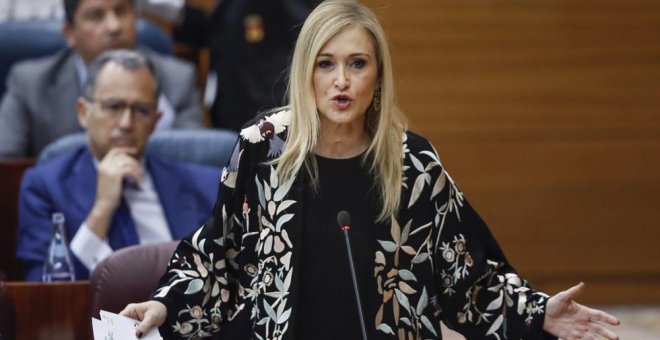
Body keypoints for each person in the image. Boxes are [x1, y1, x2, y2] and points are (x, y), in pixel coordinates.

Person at [121, 1, 621, 339]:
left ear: (378, 76)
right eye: (325, 64)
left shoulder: (413, 164)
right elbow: (220, 258)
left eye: (358, 64)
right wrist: (165, 306)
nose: (341, 81)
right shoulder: (262, 149)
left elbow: (467, 279)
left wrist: (540, 314)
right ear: (304, 73)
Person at [16, 50, 219, 281]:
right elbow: (45, 294)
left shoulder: (209, 186)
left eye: (141, 110)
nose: (126, 123)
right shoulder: (44, 187)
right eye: (113, 107)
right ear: (83, 112)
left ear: (155, 121)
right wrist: (102, 210)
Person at [0, 0, 203, 159]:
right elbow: (6, 167)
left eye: (121, 11)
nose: (114, 26)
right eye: (96, 16)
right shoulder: (30, 83)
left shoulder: (177, 79)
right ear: (69, 33)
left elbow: (195, 159)